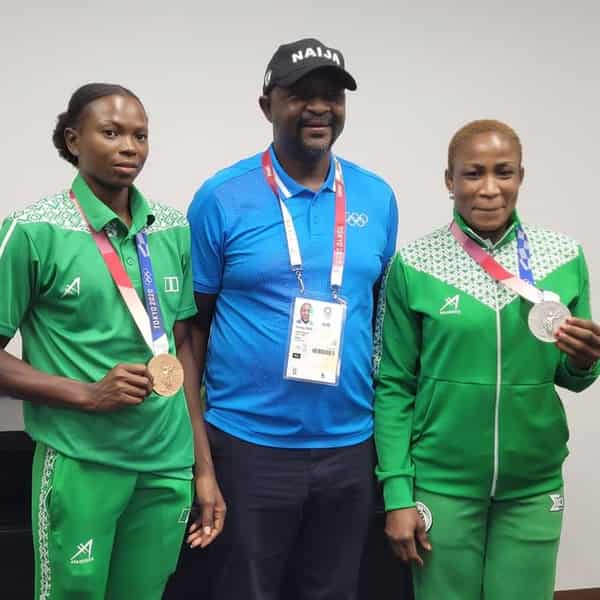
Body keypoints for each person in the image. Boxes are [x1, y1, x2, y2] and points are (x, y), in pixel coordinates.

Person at [187, 38, 398, 600]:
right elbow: (193, 332)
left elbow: (379, 317)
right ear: (267, 106)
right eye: (301, 95)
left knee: (334, 591)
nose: (319, 107)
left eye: (332, 95)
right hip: (248, 445)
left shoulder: (376, 197)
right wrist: (201, 460)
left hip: (350, 443)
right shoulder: (221, 198)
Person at [0, 83, 224, 599]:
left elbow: (182, 352)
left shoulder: (171, 228)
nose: (130, 147)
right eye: (112, 132)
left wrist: (202, 469)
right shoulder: (34, 231)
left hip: (167, 464)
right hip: (82, 459)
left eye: (140, 135)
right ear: (73, 140)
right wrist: (87, 394)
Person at [374, 119, 600, 600]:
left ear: (521, 176)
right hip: (441, 485)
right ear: (449, 180)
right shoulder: (414, 265)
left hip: (533, 486)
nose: (490, 188)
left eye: (504, 172)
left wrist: (585, 362)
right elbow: (394, 385)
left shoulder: (564, 257)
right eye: (473, 173)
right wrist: (397, 493)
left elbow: (572, 376)